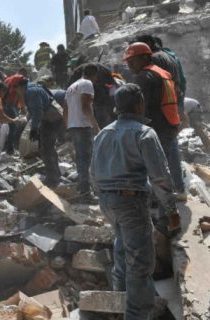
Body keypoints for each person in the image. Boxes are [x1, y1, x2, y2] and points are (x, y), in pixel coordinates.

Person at [91, 83, 180, 320]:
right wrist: (171, 211)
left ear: (116, 107)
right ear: (140, 104)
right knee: (140, 263)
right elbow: (160, 177)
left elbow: (93, 174)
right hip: (131, 203)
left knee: (122, 248)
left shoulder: (102, 133)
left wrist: (106, 197)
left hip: (108, 202)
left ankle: (120, 302)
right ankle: (136, 315)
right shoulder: (144, 133)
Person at [124, 42, 184, 233]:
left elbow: (140, 106)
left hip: (157, 128)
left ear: (143, 57)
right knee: (160, 172)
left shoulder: (145, 76)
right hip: (168, 125)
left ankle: (166, 220)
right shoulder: (161, 71)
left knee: (157, 174)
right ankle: (166, 216)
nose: (129, 66)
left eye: (131, 61)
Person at [65, 63, 100, 200]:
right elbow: (86, 107)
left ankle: (83, 188)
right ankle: (86, 192)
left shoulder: (71, 87)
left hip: (73, 126)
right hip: (83, 126)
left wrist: (67, 127)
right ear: (94, 75)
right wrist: (95, 125)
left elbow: (65, 110)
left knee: (80, 159)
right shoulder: (87, 84)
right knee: (87, 159)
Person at [21, 79, 63, 187]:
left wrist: (34, 129)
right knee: (48, 148)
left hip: (50, 120)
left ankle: (52, 180)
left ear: (18, 87)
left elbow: (38, 111)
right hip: (52, 119)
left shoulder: (31, 92)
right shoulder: (34, 88)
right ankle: (56, 174)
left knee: (46, 149)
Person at [3, 69, 28, 155]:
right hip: (10, 105)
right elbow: (20, 93)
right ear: (23, 73)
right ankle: (12, 148)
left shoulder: (8, 79)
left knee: (12, 126)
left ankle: (11, 148)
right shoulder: (19, 78)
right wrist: (24, 107)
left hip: (5, 105)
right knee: (15, 127)